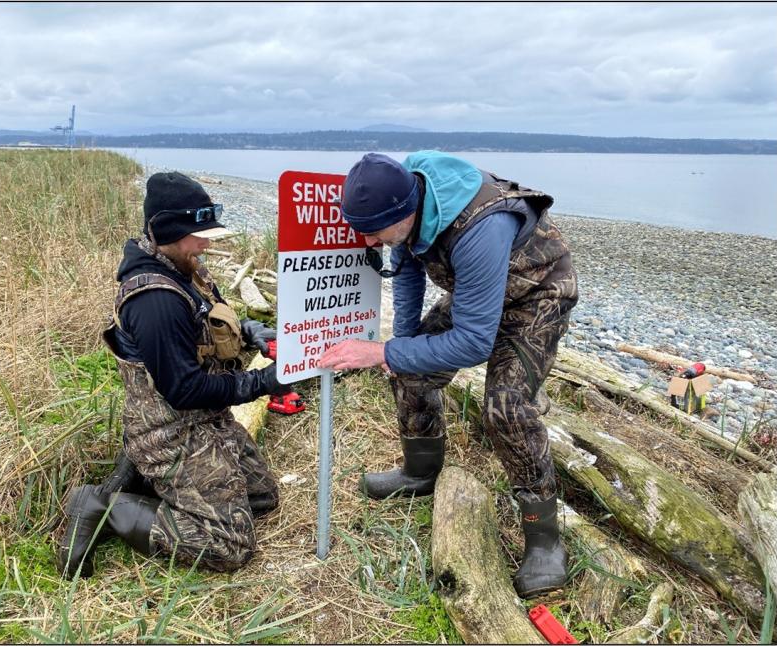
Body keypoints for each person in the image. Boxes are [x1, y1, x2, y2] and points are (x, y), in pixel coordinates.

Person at [318, 151, 578, 597]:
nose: (367, 242)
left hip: (535, 295)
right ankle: (421, 473)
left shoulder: (481, 227)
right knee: (408, 368)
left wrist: (384, 350)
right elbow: (406, 275)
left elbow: (475, 342)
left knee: (506, 408)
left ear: (406, 211)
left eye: (373, 233)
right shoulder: (406, 193)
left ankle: (544, 539)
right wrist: (395, 353)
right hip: (476, 294)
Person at [57, 171, 290, 579]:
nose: (207, 242)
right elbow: (184, 390)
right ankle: (104, 508)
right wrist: (264, 382)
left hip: (208, 420)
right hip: (173, 431)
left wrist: (252, 332)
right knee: (231, 544)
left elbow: (212, 322)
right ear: (167, 231)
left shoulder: (186, 268)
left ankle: (140, 480)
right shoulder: (155, 301)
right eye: (197, 234)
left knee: (262, 497)